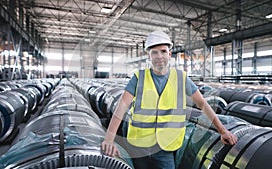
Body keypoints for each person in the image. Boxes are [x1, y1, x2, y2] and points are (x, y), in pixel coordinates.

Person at [101, 30, 238, 169]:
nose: (159, 56)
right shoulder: (138, 78)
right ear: (149, 56)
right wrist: (109, 139)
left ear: (169, 54)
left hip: (164, 148)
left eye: (163, 51)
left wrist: (222, 130)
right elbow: (121, 107)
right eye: (154, 52)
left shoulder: (181, 78)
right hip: (138, 147)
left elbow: (203, 104)